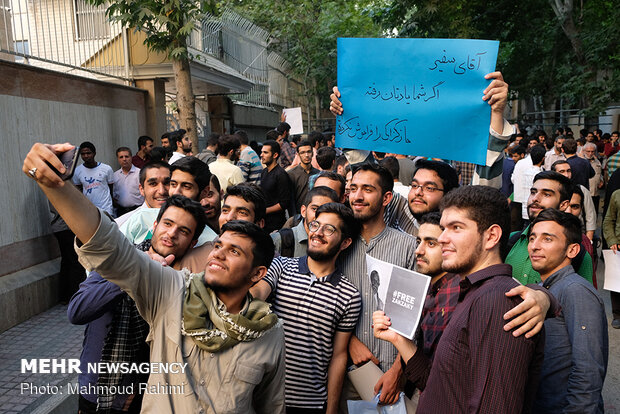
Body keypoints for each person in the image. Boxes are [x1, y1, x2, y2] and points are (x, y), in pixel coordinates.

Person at [23, 142, 286, 413]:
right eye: (218, 246)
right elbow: (105, 243)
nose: (218, 254)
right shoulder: (172, 290)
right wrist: (55, 185)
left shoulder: (268, 331)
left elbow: (271, 405)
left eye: (234, 251)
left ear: (257, 273)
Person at [373, 185, 545, 414]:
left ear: (491, 236)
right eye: (444, 228)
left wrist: (544, 296)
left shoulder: (497, 300)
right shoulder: (474, 293)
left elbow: (495, 405)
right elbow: (442, 384)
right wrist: (397, 338)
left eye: (456, 228)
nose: (443, 238)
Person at [68, 196, 205, 413]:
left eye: (183, 231)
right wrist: (135, 271)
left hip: (144, 398)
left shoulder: (185, 282)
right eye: (167, 224)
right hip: (95, 391)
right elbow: (77, 311)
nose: (171, 234)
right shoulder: (117, 260)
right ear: (155, 225)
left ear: (193, 243)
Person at [251, 203, 362, 413]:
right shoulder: (281, 266)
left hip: (310, 404)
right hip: (264, 395)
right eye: (315, 225)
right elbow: (257, 293)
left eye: (329, 229)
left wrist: (331, 409)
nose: (317, 233)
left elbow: (339, 355)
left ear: (345, 242)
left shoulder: (349, 295)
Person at [337, 162, 417, 406]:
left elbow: (415, 318)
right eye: (353, 189)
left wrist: (398, 371)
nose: (357, 196)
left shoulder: (409, 247)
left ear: (386, 198)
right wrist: (350, 341)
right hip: (346, 373)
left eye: (367, 189)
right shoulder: (339, 245)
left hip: (394, 375)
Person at [528, 209, 608, 413]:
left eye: (547, 239)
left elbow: (588, 370)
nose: (535, 246)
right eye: (532, 238)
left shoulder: (575, 290)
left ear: (572, 250)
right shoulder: (543, 288)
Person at [506, 171, 593, 284]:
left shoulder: (577, 254)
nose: (535, 198)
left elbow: (582, 296)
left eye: (547, 194)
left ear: (563, 205)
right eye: (533, 192)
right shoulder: (511, 240)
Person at [120, 156, 217, 246]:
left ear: (204, 192)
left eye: (186, 187)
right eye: (173, 184)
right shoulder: (141, 219)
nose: (176, 192)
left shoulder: (210, 241)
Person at [384, 159, 459, 237]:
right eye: (414, 185)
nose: (418, 192)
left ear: (448, 195)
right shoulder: (401, 210)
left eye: (429, 188)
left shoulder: (452, 237)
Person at [272, 186, 340, 258]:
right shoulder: (279, 240)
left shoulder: (335, 243)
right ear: (303, 211)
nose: (319, 215)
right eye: (314, 209)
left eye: (327, 211)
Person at [551, 160, 597, 240]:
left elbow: (590, 216)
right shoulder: (550, 192)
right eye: (562, 171)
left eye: (568, 171)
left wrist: (589, 241)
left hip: (579, 235)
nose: (566, 175)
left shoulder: (581, 190)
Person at [115, 161, 171, 227]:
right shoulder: (123, 224)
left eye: (167, 183)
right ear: (142, 189)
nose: (162, 191)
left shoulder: (183, 219)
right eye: (153, 184)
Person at [72, 141, 115, 216]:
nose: (86, 156)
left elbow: (111, 189)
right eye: (83, 154)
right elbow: (79, 191)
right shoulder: (77, 171)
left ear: (94, 153)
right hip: (89, 210)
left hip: (106, 209)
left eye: (88, 153)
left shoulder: (106, 169)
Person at [260, 140, 293, 233]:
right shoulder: (264, 172)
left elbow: (284, 203)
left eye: (265, 152)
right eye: (261, 152)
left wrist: (265, 211)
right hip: (264, 222)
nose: (262, 155)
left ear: (275, 155)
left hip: (276, 224)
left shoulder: (281, 174)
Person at [603, 189, 620, 329]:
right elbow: (608, 220)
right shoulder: (617, 195)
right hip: (619, 247)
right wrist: (612, 240)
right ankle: (617, 314)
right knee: (616, 283)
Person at [288, 140, 319, 212]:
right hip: (298, 214)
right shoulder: (291, 174)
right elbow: (290, 200)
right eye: (302, 152)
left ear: (312, 153)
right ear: (298, 155)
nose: (306, 155)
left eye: (309, 152)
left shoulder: (318, 174)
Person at [112, 147, 144, 217]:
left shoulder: (140, 173)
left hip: (138, 210)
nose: (124, 159)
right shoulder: (115, 176)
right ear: (118, 159)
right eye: (121, 157)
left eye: (126, 156)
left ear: (131, 157)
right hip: (121, 212)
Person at [582, 142, 604, 209]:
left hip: (596, 192)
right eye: (588, 151)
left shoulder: (597, 161)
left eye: (592, 151)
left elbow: (599, 172)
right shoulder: (581, 161)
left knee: (595, 211)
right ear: (584, 151)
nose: (590, 153)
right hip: (585, 193)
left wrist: (601, 180)